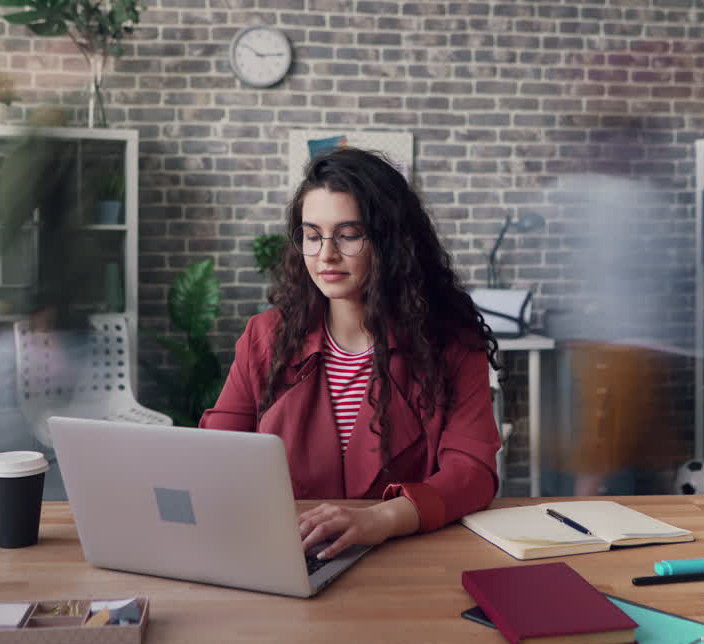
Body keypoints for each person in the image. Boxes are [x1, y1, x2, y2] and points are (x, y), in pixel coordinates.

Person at [201, 147, 502, 561]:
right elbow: (214, 458)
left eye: (348, 234)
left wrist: (380, 520)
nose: (326, 254)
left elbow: (472, 475)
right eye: (312, 235)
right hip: (290, 554)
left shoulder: (451, 343)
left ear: (391, 242)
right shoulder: (264, 337)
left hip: (407, 559)